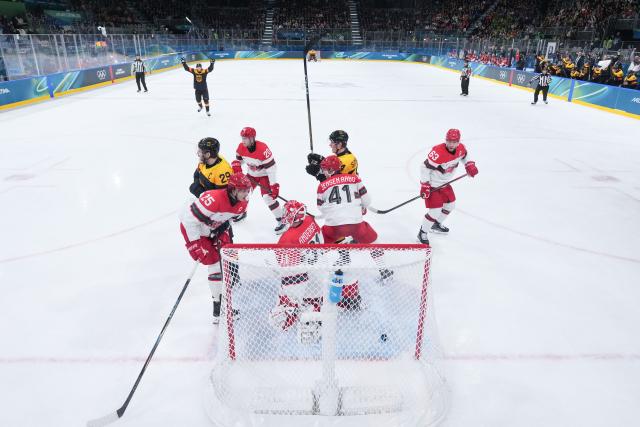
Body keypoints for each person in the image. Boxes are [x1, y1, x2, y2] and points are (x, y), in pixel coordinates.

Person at [180, 173, 251, 323]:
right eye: (243, 190)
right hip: (195, 230)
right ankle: (219, 305)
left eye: (247, 190)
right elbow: (189, 221)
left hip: (213, 228)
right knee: (212, 260)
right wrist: (195, 244)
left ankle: (219, 306)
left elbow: (228, 217)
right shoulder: (214, 199)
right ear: (233, 189)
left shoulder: (243, 203)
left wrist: (223, 225)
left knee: (221, 263)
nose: (246, 194)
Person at [270, 200, 324, 332]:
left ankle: (289, 317)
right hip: (321, 272)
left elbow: (286, 268)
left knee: (283, 309)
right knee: (315, 301)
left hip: (305, 278)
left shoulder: (288, 239)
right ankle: (314, 313)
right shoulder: (310, 220)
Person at [418, 129, 478, 244]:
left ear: (458, 142)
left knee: (450, 205)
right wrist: (425, 185)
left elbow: (465, 156)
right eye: (449, 141)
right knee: (435, 211)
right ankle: (422, 232)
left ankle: (435, 224)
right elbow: (424, 167)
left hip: (445, 184)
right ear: (446, 140)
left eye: (454, 142)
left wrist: (469, 165)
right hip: (433, 185)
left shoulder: (461, 149)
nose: (451, 144)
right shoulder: (438, 152)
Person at [231, 127, 285, 233]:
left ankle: (282, 220)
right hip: (252, 175)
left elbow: (271, 168)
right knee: (242, 193)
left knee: (268, 198)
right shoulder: (241, 147)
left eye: (245, 138)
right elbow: (239, 160)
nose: (243, 141)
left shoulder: (263, 149)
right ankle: (242, 212)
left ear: (252, 138)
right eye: (242, 138)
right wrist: (236, 164)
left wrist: (274, 184)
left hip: (265, 175)